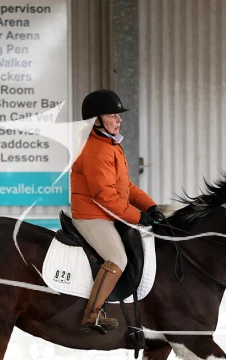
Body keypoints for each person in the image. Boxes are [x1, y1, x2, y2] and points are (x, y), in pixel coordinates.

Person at [70, 89, 166, 334]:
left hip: (107, 213)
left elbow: (126, 187)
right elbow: (104, 196)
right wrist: (138, 217)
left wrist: (150, 206)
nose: (119, 119)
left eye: (118, 115)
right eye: (112, 115)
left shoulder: (111, 145)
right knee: (117, 258)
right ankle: (91, 314)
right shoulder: (96, 150)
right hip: (92, 216)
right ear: (96, 120)